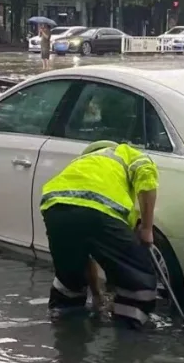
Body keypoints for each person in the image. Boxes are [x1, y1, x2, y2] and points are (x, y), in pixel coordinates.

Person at [40, 140, 159, 328]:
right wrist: (146, 229)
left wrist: (97, 296)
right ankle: (130, 340)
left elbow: (87, 253)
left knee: (70, 279)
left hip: (55, 208)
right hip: (100, 208)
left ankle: (66, 332)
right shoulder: (127, 153)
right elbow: (147, 180)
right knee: (138, 283)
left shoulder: (81, 163)